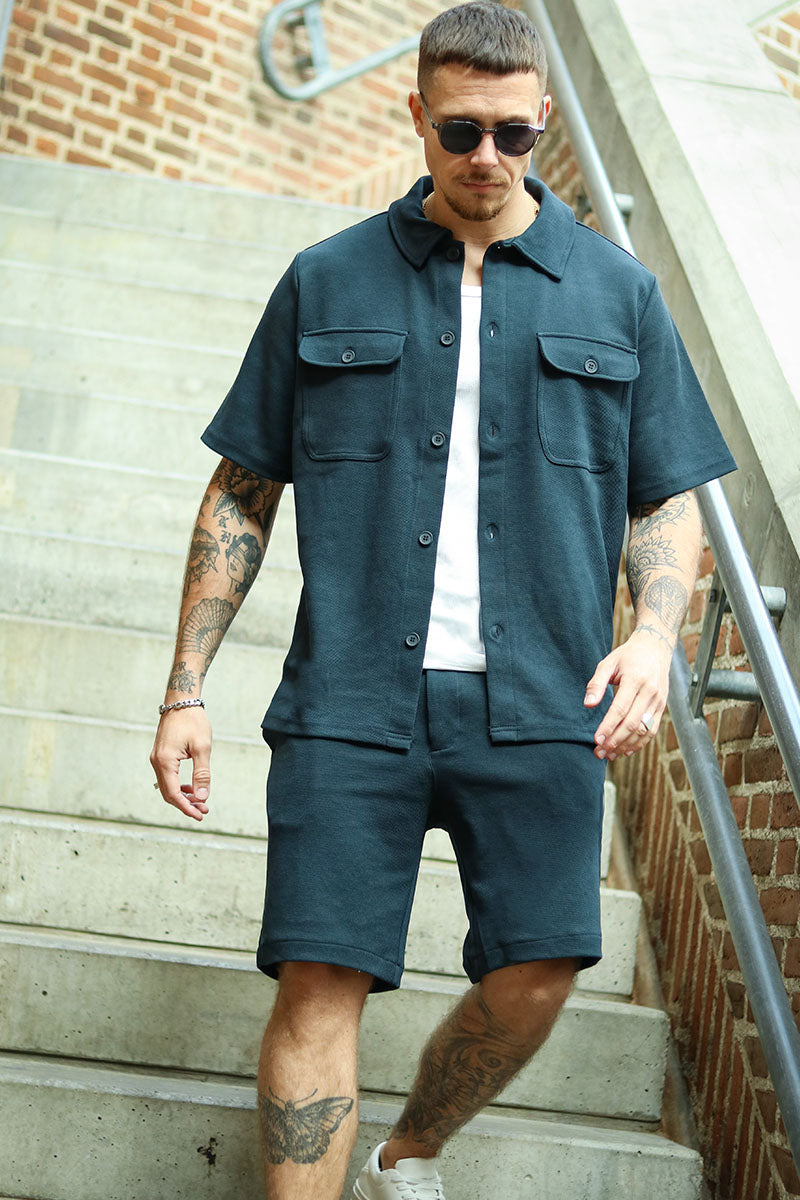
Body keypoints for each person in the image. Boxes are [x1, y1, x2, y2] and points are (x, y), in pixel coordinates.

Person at [150, 4, 736, 1196]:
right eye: (460, 129)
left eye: (512, 134)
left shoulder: (617, 294)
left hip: (542, 700)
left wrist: (650, 635)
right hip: (349, 696)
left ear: (543, 121)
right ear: (415, 113)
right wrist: (185, 690)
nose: (485, 157)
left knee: (541, 970)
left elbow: (666, 496)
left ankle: (407, 1150)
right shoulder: (324, 280)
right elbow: (241, 494)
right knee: (318, 979)